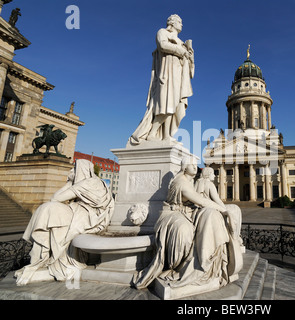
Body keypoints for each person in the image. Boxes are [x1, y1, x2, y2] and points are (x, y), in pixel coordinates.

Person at [132, 157, 240, 290]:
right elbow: (201, 200)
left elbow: (201, 202)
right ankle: (184, 266)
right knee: (185, 231)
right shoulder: (181, 183)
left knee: (211, 215)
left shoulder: (193, 182)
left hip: (189, 212)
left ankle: (208, 260)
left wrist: (222, 211)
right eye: (191, 165)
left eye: (196, 165)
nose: (195, 167)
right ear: (184, 167)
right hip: (173, 215)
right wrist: (225, 211)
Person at [14, 159, 115, 286]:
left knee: (48, 208)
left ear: (80, 171)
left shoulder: (87, 183)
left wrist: (70, 183)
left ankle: (42, 258)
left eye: (74, 169)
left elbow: (55, 198)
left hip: (85, 217)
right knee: (48, 209)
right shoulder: (97, 182)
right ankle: (42, 258)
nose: (71, 171)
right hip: (85, 215)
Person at [129, 14, 194, 144]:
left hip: (178, 76)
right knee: (165, 104)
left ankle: (166, 136)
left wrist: (190, 55)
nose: (181, 24)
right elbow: (163, 46)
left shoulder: (182, 42)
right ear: (172, 23)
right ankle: (152, 133)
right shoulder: (162, 32)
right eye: (180, 22)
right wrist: (181, 52)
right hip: (166, 74)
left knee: (175, 106)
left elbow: (190, 68)